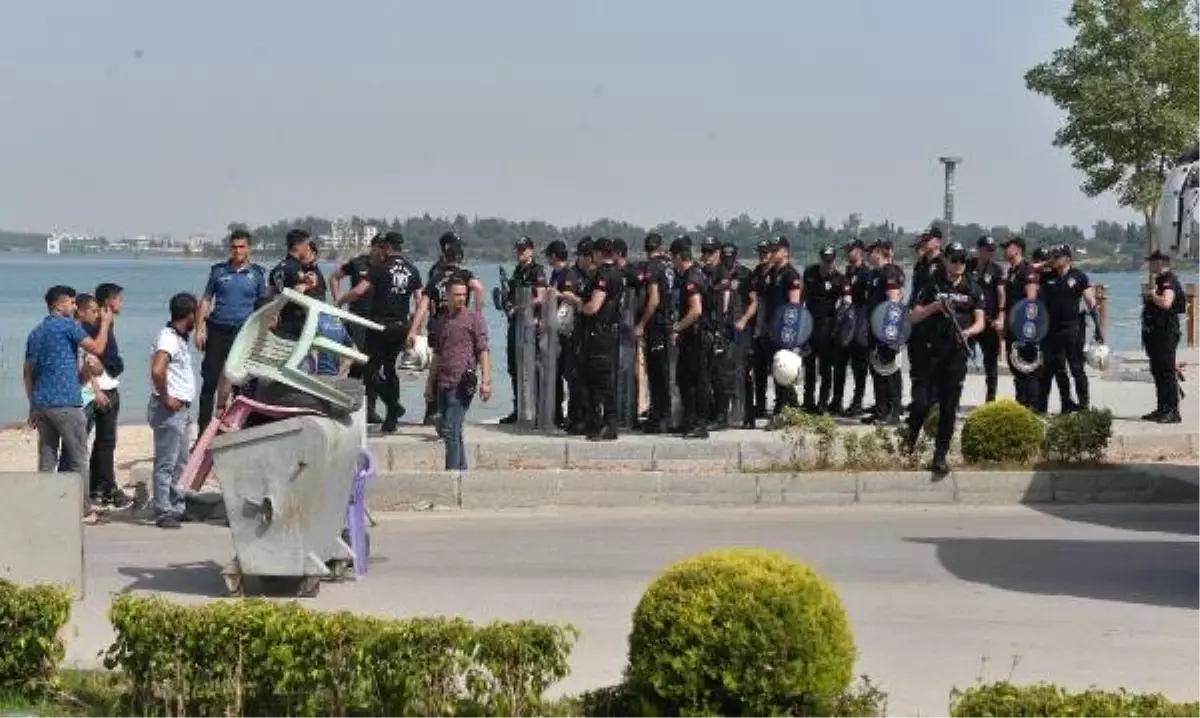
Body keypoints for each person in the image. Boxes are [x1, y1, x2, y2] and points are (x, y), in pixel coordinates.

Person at [24, 285, 112, 524]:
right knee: (78, 458)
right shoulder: (67, 326)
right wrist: (105, 323)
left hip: (42, 404)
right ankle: (83, 511)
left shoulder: (36, 332)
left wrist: (32, 404)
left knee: (47, 459)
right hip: (66, 403)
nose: (75, 308)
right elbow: (97, 348)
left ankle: (46, 508)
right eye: (72, 303)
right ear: (58, 305)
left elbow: (28, 372)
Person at [901, 242, 985, 475]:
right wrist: (935, 307)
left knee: (949, 409)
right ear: (946, 260)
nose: (958, 264)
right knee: (922, 403)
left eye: (962, 260)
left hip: (956, 355)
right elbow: (913, 317)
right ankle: (907, 443)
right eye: (954, 259)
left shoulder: (973, 288)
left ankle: (940, 456)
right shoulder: (932, 284)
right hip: (930, 353)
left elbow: (980, 321)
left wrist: (967, 332)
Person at [339, 231, 423, 432]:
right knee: (390, 370)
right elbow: (420, 302)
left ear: (387, 248)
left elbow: (359, 291)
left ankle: (393, 406)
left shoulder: (380, 268)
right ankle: (391, 419)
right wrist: (416, 329)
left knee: (369, 370)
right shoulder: (413, 270)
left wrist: (341, 301)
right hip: (401, 327)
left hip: (379, 328)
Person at [195, 230, 269, 437]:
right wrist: (199, 329)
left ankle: (239, 432)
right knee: (209, 382)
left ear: (249, 248)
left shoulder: (257, 274)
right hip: (218, 330)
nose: (237, 251)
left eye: (241, 246)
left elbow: (262, 307)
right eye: (234, 247)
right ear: (230, 248)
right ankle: (202, 433)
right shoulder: (218, 271)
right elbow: (206, 300)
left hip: (243, 334)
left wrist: (263, 334)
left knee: (242, 383)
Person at [408, 237, 484, 426]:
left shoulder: (436, 276)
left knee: (437, 366)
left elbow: (423, 306)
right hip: (461, 324)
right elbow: (479, 288)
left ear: (444, 257)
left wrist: (413, 330)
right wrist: (478, 313)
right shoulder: (465, 275)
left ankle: (433, 411)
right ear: (461, 259)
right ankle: (452, 412)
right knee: (460, 366)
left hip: (439, 325)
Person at [429, 277, 492, 470]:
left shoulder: (474, 319)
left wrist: (486, 381)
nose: (461, 299)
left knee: (450, 430)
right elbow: (437, 355)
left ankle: (451, 477)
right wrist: (429, 384)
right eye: (457, 295)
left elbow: (483, 350)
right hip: (443, 382)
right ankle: (461, 475)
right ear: (446, 296)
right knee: (453, 432)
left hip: (463, 382)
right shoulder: (440, 322)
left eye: (464, 295)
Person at [564, 237, 624, 440]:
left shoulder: (604, 276)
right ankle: (597, 422)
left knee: (601, 381)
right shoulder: (617, 273)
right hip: (606, 333)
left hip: (599, 334)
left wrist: (576, 301)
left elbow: (593, 307)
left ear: (598, 254)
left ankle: (608, 424)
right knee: (596, 379)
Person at [148, 293, 199, 529]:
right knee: (166, 461)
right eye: (196, 315)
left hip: (182, 409)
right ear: (189, 315)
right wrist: (166, 396)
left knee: (181, 461)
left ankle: (177, 505)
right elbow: (158, 369)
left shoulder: (180, 339)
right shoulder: (168, 338)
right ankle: (163, 510)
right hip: (170, 409)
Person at [1037, 245, 1100, 413]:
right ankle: (1066, 403)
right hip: (1052, 329)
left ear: (1068, 259)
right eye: (1053, 256)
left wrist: (1097, 326)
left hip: (1073, 328)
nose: (1054, 259)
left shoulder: (1079, 276)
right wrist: (1045, 264)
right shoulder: (1046, 277)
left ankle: (1084, 405)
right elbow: (1031, 270)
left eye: (1058, 256)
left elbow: (1090, 300)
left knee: (1077, 368)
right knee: (1058, 369)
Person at [330, 233, 386, 421]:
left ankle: (370, 410)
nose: (382, 251)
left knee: (374, 365)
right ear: (373, 246)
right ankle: (348, 403)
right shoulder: (358, 263)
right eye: (379, 246)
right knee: (356, 361)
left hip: (377, 320)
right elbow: (335, 277)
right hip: (356, 318)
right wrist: (338, 302)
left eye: (385, 247)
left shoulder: (385, 266)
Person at [88, 283, 130, 507]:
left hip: (107, 383)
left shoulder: (105, 322)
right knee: (106, 441)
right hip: (103, 387)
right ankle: (107, 486)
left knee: (103, 441)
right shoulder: (99, 323)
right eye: (118, 299)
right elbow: (92, 351)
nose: (121, 303)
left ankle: (97, 487)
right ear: (108, 301)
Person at [499, 236, 547, 424]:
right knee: (514, 367)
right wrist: (506, 302)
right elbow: (511, 296)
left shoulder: (538, 271)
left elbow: (541, 297)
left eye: (523, 249)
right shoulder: (517, 272)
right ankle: (518, 408)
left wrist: (521, 306)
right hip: (515, 325)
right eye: (518, 249)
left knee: (533, 368)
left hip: (531, 325)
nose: (520, 253)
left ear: (531, 251)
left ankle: (536, 410)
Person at [668, 237, 711, 438]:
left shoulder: (692, 278)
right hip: (690, 336)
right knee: (684, 379)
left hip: (697, 336)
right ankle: (689, 420)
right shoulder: (687, 276)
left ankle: (700, 424)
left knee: (697, 380)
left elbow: (696, 310)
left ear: (678, 256)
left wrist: (677, 327)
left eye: (672, 257)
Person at [861, 240, 905, 426]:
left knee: (890, 370)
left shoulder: (890, 272)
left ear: (878, 252)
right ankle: (881, 410)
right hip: (873, 329)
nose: (867, 256)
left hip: (885, 330)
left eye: (870, 252)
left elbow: (893, 302)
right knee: (877, 370)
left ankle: (893, 412)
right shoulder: (874, 274)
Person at [1141, 249, 1185, 423]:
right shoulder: (1160, 281)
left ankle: (1173, 411)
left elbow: (1166, 303)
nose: (1149, 265)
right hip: (1156, 333)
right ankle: (1162, 408)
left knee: (1166, 372)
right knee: (1158, 371)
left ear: (1161, 263)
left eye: (1152, 262)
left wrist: (1152, 295)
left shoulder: (1168, 281)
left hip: (1166, 332)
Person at [636, 233, 673, 433]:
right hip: (666, 322)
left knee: (657, 373)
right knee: (664, 371)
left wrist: (641, 323)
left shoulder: (652, 267)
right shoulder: (668, 267)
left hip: (656, 324)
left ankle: (660, 416)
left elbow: (654, 300)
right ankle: (662, 413)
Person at [1000, 237, 1042, 410]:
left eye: (1007, 248)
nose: (1004, 251)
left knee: (1028, 367)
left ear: (1017, 249)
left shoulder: (1027, 270)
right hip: (1011, 325)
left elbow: (1031, 299)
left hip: (1023, 326)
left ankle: (1031, 405)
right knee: (1015, 365)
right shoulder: (1012, 271)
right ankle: (1021, 403)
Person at [764, 237, 803, 417]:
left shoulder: (791, 275)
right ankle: (789, 406)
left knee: (784, 368)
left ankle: (785, 407)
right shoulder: (772, 273)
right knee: (777, 369)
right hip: (772, 327)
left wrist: (790, 332)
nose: (772, 253)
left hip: (785, 330)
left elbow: (794, 305)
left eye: (776, 250)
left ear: (785, 252)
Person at [831, 239, 871, 416]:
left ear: (861, 251)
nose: (848, 253)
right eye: (847, 250)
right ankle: (836, 400)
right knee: (839, 364)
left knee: (859, 366)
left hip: (861, 319)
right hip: (845, 321)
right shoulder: (846, 272)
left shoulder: (866, 274)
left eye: (851, 250)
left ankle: (857, 402)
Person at [801, 246, 843, 414]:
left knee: (825, 370)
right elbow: (802, 296)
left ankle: (823, 403)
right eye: (824, 260)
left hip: (828, 327)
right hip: (810, 324)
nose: (827, 264)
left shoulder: (839, 279)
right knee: (809, 367)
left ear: (834, 260)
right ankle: (808, 402)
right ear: (820, 259)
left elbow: (845, 303)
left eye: (830, 261)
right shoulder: (810, 273)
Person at [907, 227, 944, 414]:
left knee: (934, 365)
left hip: (935, 319)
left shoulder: (944, 263)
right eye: (923, 239)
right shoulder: (920, 263)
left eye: (928, 240)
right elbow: (915, 290)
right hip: (916, 319)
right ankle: (918, 401)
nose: (924, 243)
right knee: (916, 363)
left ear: (938, 241)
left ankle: (934, 403)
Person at [561, 238, 596, 434]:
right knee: (574, 375)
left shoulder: (594, 274)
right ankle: (576, 417)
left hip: (591, 332)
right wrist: (581, 303)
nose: (586, 260)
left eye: (588, 256)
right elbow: (566, 294)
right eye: (583, 256)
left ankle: (586, 416)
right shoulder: (572, 274)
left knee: (588, 377)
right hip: (575, 331)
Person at [545, 239, 580, 428]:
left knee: (569, 373)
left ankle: (573, 415)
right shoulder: (555, 275)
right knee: (556, 373)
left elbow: (568, 304)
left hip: (566, 333)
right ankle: (556, 414)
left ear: (553, 256)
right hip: (555, 332)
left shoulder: (568, 275)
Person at [739, 239, 774, 426]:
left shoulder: (777, 274)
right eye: (760, 252)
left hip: (773, 327)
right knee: (758, 370)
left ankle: (785, 406)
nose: (763, 255)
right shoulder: (755, 274)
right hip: (757, 328)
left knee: (778, 369)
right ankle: (760, 405)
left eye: (766, 252)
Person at [268, 228, 326, 340]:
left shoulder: (276, 269)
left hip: (283, 322)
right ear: (299, 245)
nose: (308, 248)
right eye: (307, 245)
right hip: (299, 323)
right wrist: (309, 284)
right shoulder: (296, 268)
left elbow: (269, 295)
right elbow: (305, 284)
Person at [966, 236, 1004, 403]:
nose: (990, 252)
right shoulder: (968, 266)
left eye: (992, 250)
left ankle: (990, 400)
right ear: (979, 249)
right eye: (987, 249)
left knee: (991, 364)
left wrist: (1001, 316)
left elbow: (1001, 293)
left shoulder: (996, 269)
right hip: (969, 321)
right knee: (959, 359)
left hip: (989, 321)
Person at [700, 237, 733, 429]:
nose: (706, 256)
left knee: (719, 375)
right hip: (705, 328)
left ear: (718, 253)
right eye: (704, 251)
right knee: (707, 374)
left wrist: (720, 328)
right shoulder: (703, 272)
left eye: (710, 252)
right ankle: (713, 411)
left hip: (718, 329)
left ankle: (722, 415)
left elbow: (725, 302)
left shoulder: (722, 272)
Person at [721, 243, 754, 427]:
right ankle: (725, 412)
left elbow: (754, 301)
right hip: (723, 327)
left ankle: (747, 415)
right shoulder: (718, 273)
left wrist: (744, 319)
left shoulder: (745, 274)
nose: (728, 261)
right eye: (725, 258)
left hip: (740, 328)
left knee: (743, 372)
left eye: (731, 258)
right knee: (724, 372)